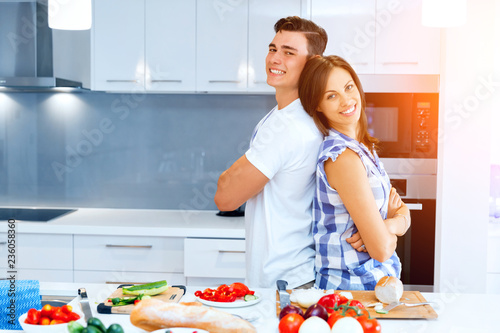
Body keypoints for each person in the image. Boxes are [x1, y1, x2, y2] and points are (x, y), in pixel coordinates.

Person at [214, 16, 328, 289]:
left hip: (285, 282)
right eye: (273, 49)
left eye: (289, 53)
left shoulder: (286, 126)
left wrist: (232, 176)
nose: (275, 58)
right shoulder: (290, 115)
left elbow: (225, 197)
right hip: (296, 276)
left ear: (311, 64)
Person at [298, 55, 411, 290]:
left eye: (349, 87)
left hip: (374, 289)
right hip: (350, 293)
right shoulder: (342, 158)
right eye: (331, 96)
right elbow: (381, 249)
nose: (346, 100)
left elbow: (402, 211)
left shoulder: (362, 148)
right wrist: (391, 226)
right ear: (318, 105)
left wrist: (389, 225)